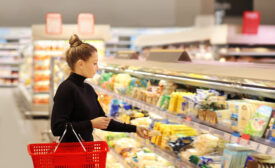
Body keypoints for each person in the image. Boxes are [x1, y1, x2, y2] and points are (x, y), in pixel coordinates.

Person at [51, 34, 149, 142]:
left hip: (87, 151)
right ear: (80, 64)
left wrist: (135, 128)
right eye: (94, 63)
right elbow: (57, 128)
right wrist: (91, 124)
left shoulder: (88, 89)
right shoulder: (66, 89)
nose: (97, 68)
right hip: (71, 154)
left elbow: (104, 122)